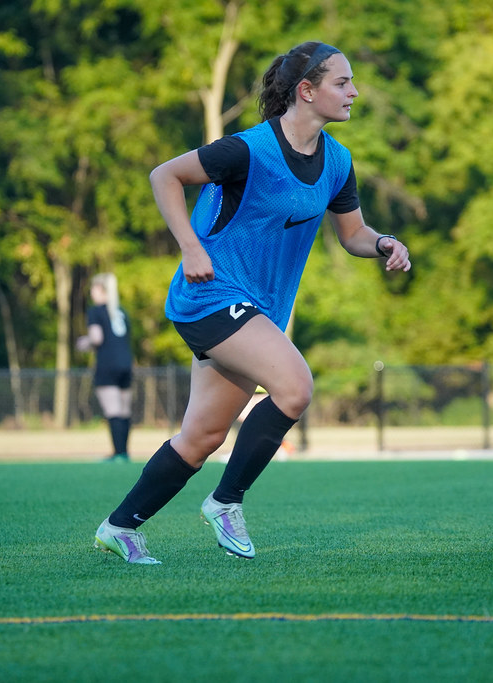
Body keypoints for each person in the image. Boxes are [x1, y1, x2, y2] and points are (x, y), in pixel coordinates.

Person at [94, 41, 411, 564]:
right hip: (209, 296)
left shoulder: (338, 161)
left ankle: (120, 526)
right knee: (295, 387)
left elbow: (353, 233)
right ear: (306, 91)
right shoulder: (247, 150)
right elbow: (164, 175)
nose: (354, 92)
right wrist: (190, 247)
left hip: (256, 311)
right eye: (342, 82)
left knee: (202, 437)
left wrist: (384, 244)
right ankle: (226, 502)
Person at [76, 273, 134, 462]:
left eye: (93, 289)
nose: (91, 293)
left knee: (113, 410)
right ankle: (124, 453)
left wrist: (84, 343)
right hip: (126, 364)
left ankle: (118, 453)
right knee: (124, 410)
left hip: (107, 364)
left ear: (100, 290)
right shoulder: (122, 312)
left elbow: (97, 338)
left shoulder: (96, 311)